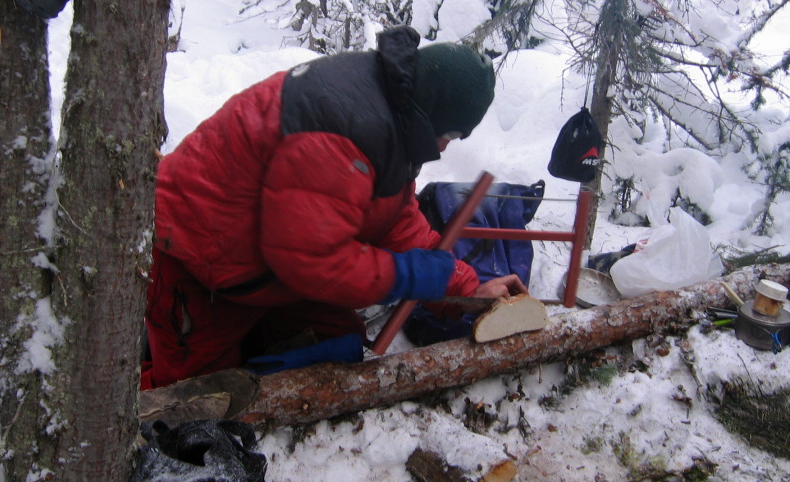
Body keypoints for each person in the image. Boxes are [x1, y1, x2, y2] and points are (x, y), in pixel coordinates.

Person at [142, 25, 525, 389]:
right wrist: (420, 275)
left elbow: (396, 220)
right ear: (433, 109)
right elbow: (314, 262)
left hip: (264, 275)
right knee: (189, 399)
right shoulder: (345, 128)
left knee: (336, 344)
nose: (444, 147)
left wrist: (468, 286)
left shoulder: (394, 116)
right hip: (200, 267)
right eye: (451, 135)